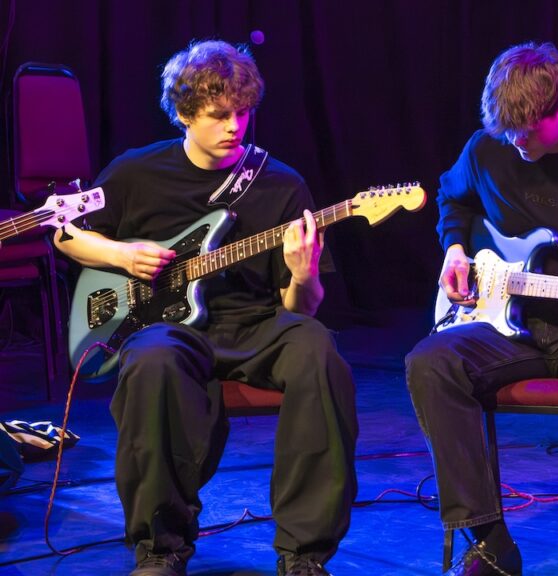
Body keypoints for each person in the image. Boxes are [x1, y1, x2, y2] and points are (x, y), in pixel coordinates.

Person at [55, 40, 357, 576]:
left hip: (257, 322)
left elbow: (301, 308)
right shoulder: (135, 172)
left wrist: (305, 271)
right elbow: (67, 235)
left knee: (317, 350)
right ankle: (160, 548)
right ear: (183, 113)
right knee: (150, 361)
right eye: (219, 115)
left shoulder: (283, 184)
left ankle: (304, 554)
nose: (234, 126)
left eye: (243, 113)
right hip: (170, 329)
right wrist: (121, 254)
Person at [405, 41, 558, 576]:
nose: (516, 144)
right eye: (507, 134)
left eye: (527, 132)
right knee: (428, 362)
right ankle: (489, 542)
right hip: (501, 326)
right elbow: (454, 197)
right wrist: (455, 250)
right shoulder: (486, 149)